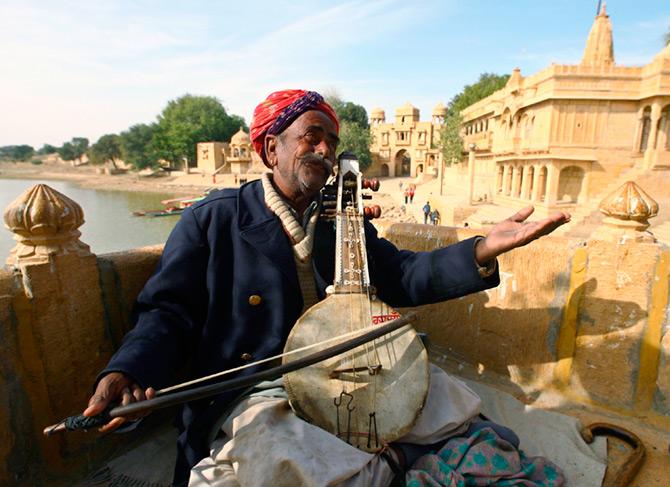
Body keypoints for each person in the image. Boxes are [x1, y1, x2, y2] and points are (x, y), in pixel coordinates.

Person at [83, 89, 570, 486]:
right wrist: (129, 369)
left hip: (349, 366)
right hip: (258, 386)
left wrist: (481, 249)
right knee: (281, 458)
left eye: (331, 143)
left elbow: (400, 275)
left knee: (454, 411)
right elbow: (168, 313)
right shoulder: (213, 219)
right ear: (272, 148)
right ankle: (396, 464)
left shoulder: (343, 221)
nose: (324, 150)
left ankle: (384, 462)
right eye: (311, 137)